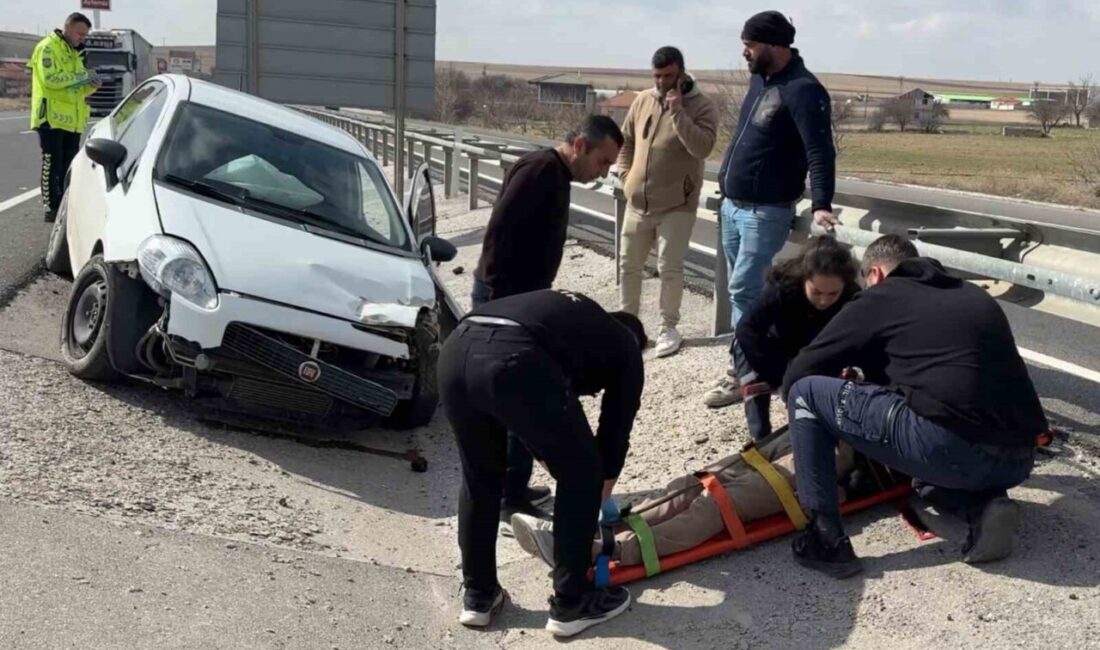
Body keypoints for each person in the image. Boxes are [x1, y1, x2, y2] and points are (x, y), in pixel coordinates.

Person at [782, 235, 1048, 578]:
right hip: (1020, 458)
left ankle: (825, 539)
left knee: (806, 392)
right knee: (924, 477)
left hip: (950, 450)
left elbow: (802, 370)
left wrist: (807, 426)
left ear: (874, 274)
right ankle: (981, 506)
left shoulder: (882, 296)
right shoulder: (970, 293)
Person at [439, 289, 646, 637]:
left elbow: (522, 409)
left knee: (480, 478)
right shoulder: (626, 348)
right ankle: (572, 604)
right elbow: (614, 435)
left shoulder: (569, 322)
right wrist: (594, 497)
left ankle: (478, 597)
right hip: (514, 358)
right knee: (582, 473)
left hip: (456, 350)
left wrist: (553, 456)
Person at [471, 115, 624, 525]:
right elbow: (500, 232)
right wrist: (504, 300)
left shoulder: (554, 175)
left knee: (521, 395)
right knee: (516, 398)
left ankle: (514, 488)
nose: (602, 173)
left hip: (520, 300)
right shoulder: (541, 171)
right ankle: (506, 496)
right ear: (579, 144)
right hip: (505, 300)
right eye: (601, 162)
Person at [704, 10, 838, 408]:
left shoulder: (803, 90)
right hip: (733, 206)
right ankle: (756, 364)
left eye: (751, 45)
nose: (745, 52)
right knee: (745, 293)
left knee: (744, 288)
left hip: (765, 211)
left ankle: (744, 372)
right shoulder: (761, 81)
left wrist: (821, 204)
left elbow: (820, 151)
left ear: (775, 46)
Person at [511, 428, 862, 569]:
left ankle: (595, 551)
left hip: (832, 455)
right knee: (693, 484)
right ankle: (585, 532)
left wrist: (835, 497)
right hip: (812, 429)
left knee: (714, 503)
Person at [615, 46, 718, 358]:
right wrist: (624, 175)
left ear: (682, 74)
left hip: (677, 204)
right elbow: (627, 141)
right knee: (628, 265)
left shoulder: (701, 106)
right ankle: (627, 325)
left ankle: (668, 327)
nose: (661, 82)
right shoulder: (643, 100)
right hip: (637, 202)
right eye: (656, 76)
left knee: (669, 268)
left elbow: (702, 148)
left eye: (668, 76)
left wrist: (678, 113)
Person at [734, 236, 858, 440]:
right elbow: (747, 329)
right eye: (816, 292)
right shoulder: (782, 287)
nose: (824, 300)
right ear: (804, 279)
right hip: (767, 345)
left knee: (812, 394)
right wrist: (776, 376)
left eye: (833, 294)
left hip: (811, 347)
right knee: (756, 389)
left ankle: (810, 439)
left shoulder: (852, 295)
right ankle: (761, 441)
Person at [28, 12, 101, 222]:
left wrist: (90, 86)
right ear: (67, 28)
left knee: (68, 166)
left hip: (72, 121)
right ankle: (51, 208)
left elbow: (76, 89)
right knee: (52, 162)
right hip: (50, 118)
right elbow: (50, 79)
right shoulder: (48, 48)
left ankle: (64, 206)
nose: (82, 38)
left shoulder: (75, 54)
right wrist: (82, 76)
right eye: (79, 33)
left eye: (85, 35)